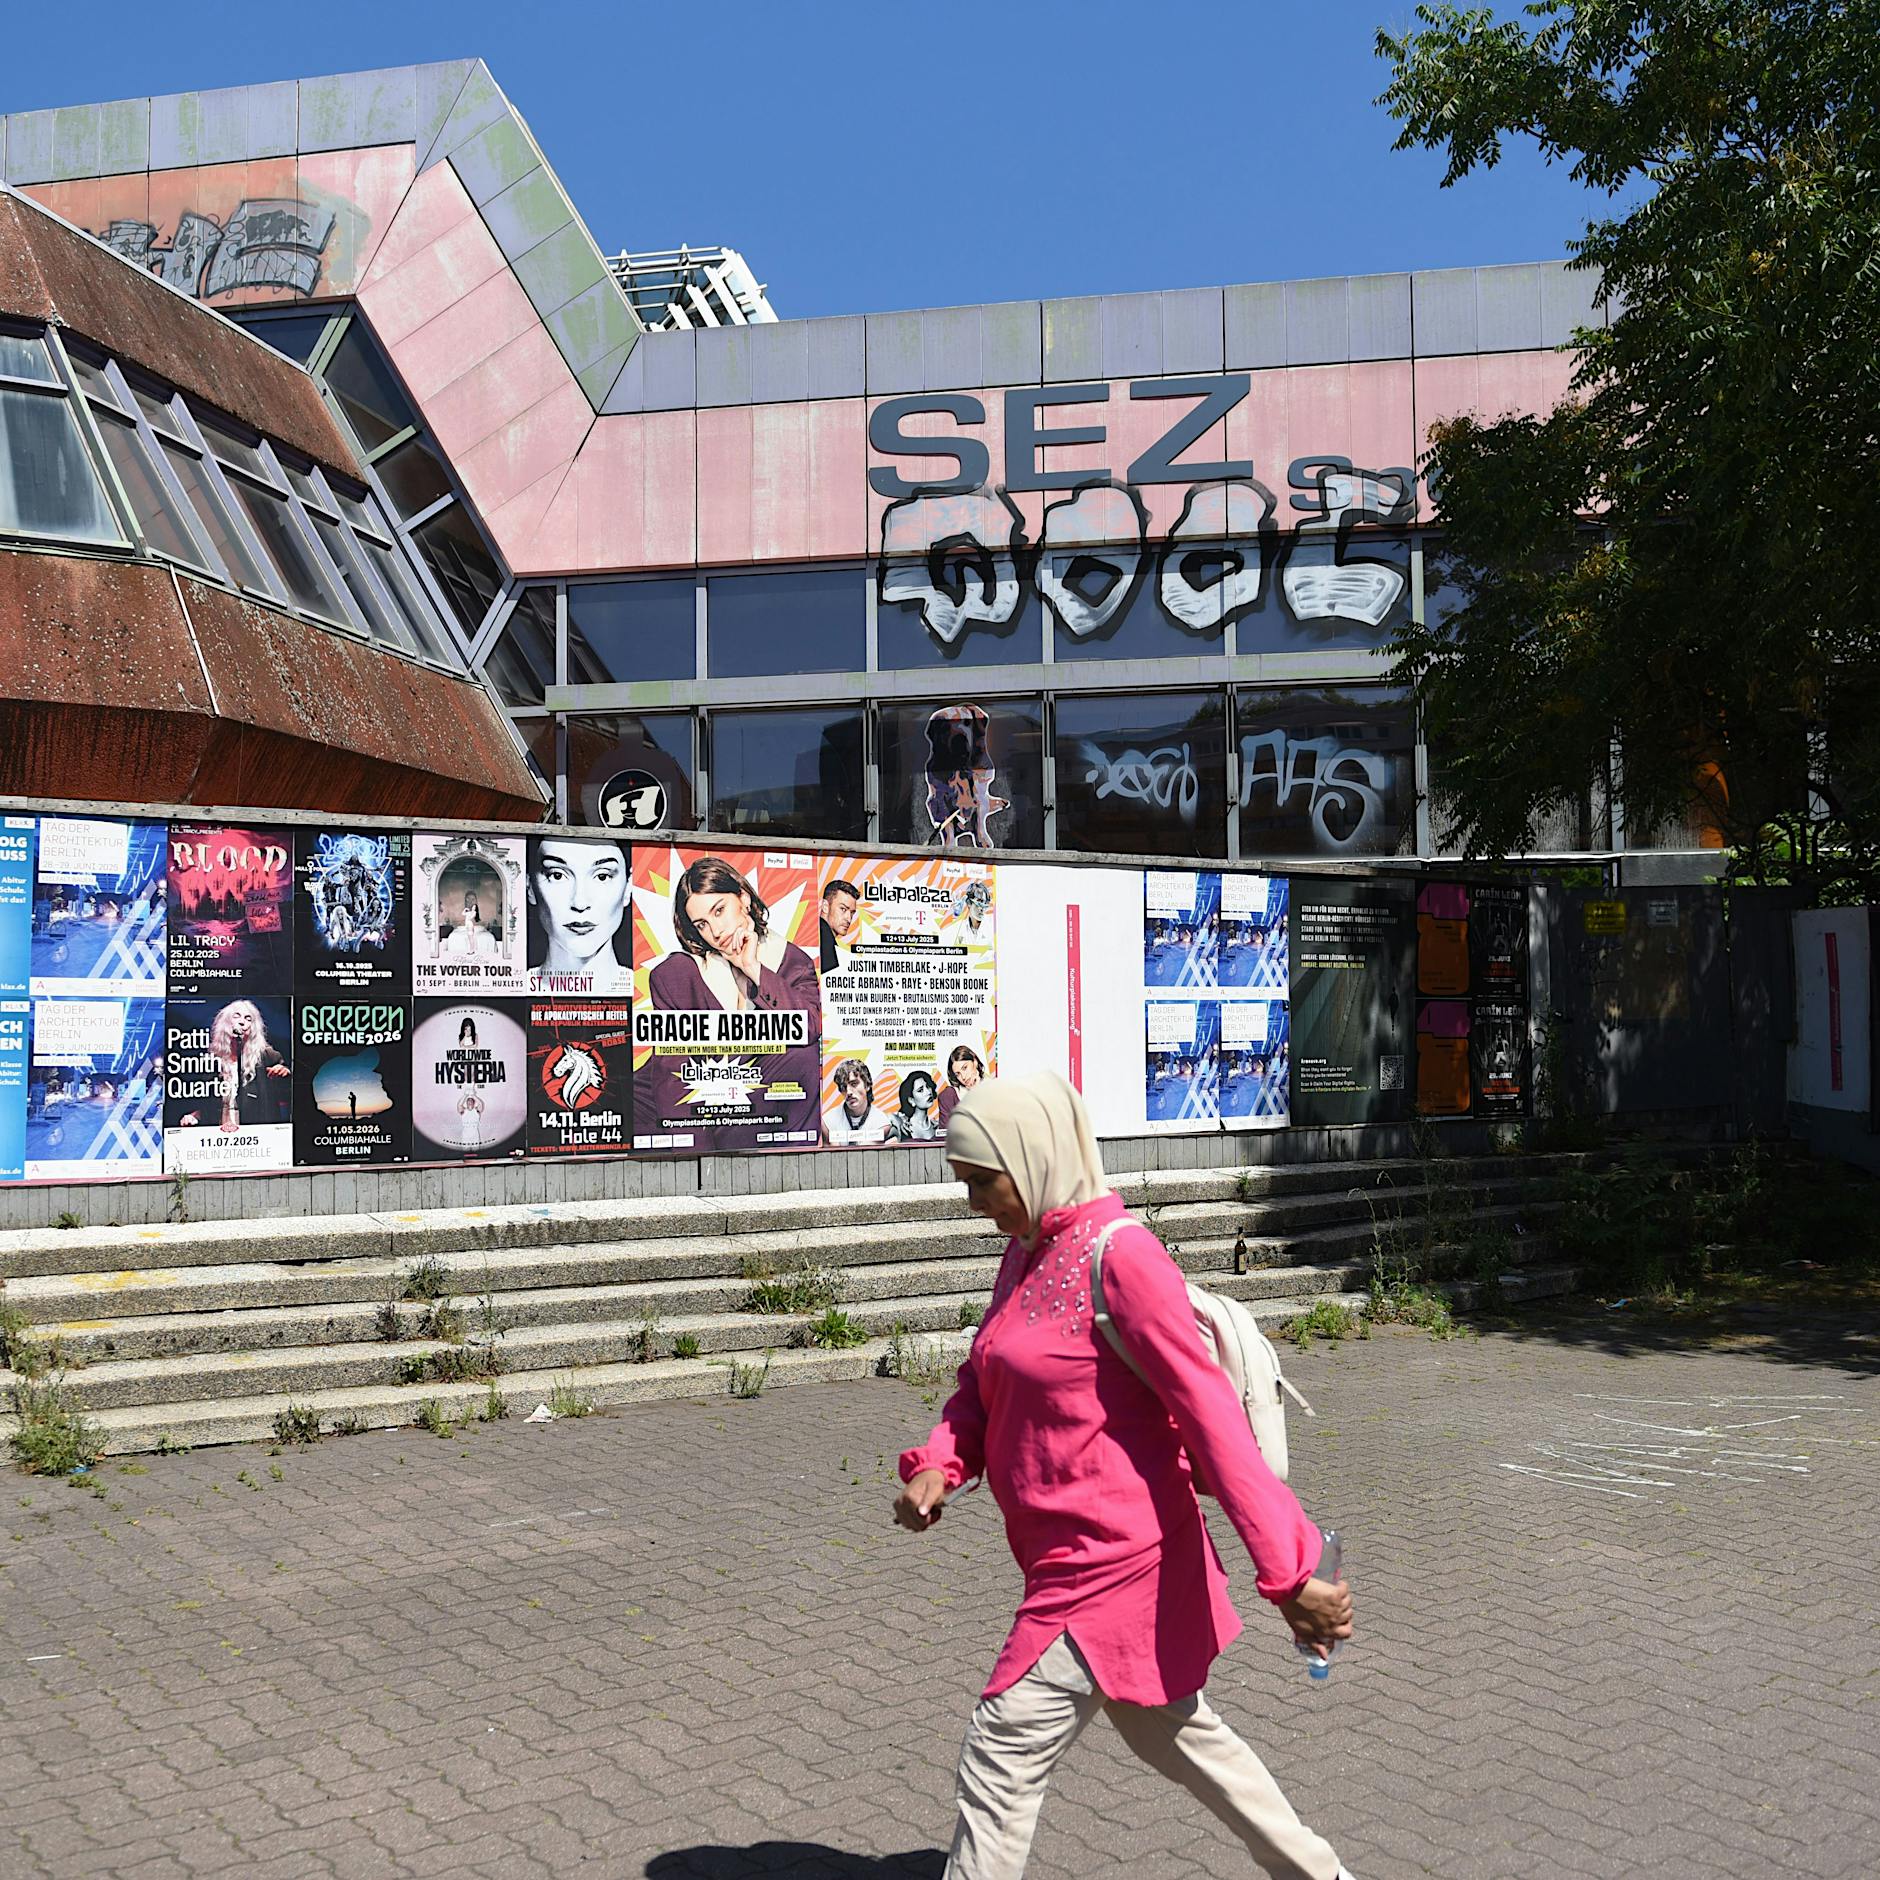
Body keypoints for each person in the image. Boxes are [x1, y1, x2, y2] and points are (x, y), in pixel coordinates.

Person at [895, 1073, 1356, 1880]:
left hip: (1115, 1560)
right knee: (1183, 1738)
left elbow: (1214, 1422)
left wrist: (1289, 1573)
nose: (974, 1203)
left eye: (982, 1180)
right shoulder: (1028, 1251)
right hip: (1066, 1554)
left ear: (1031, 1157)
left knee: (1001, 1745)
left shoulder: (1123, 1258)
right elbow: (983, 1377)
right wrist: (942, 1459)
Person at [636, 855, 823, 1150]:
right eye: (702, 924)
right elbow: (672, 1078)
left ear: (744, 898)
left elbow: (811, 1025)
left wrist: (754, 970)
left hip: (742, 1111)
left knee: (804, 1057)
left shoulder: (791, 961)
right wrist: (697, 1163)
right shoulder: (678, 975)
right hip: (666, 1114)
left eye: (719, 910)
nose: (716, 931)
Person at [528, 836, 630, 994]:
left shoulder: (649, 989)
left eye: (602, 876)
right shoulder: (511, 990)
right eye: (557, 875)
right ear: (530, 888)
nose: (580, 903)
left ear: (628, 888)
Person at [826, 1058, 888, 1146]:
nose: (849, 1092)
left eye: (854, 1084)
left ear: (867, 1085)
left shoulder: (881, 1122)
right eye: (844, 1087)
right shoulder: (828, 1121)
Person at [937, 1044, 985, 1127]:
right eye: (958, 1074)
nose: (963, 1077)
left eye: (965, 1068)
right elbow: (945, 1135)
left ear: (975, 1062)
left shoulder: (993, 1088)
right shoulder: (948, 1096)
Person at [820, 879, 860, 974]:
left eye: (852, 913)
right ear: (825, 906)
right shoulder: (824, 938)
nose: (848, 919)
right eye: (843, 909)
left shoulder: (822, 935)